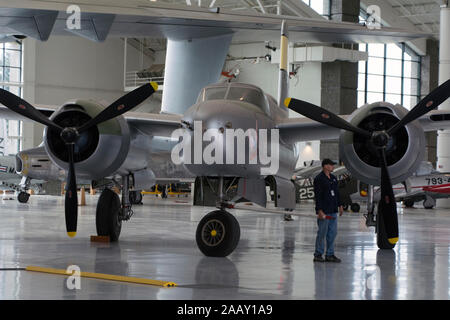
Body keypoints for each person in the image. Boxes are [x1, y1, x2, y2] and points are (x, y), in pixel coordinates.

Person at [313, 158, 343, 263]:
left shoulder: (334, 178)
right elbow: (318, 196)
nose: (333, 167)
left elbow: (337, 193)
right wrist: (319, 210)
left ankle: (330, 254)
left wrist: (340, 205)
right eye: (331, 165)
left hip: (333, 211)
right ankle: (318, 254)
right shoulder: (319, 179)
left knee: (332, 233)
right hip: (324, 211)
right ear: (325, 166)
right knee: (322, 232)